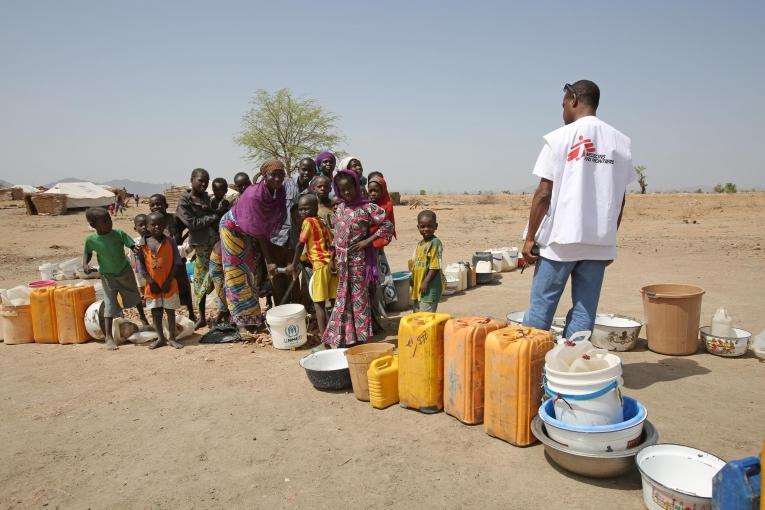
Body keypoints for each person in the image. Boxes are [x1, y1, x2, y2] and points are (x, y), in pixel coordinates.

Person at [521, 80, 634, 338]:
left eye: (563, 106)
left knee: (541, 310)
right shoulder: (620, 143)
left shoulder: (559, 139)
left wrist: (529, 238)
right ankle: (570, 368)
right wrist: (609, 240)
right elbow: (620, 199)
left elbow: (544, 193)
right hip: (597, 243)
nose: (563, 113)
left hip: (560, 242)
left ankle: (531, 369)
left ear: (573, 100)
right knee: (584, 313)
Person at [323, 170, 394, 348]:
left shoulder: (367, 208)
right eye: (342, 190)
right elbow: (337, 235)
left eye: (350, 188)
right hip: (341, 262)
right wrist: (332, 257)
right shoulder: (339, 209)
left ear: (356, 186)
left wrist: (367, 242)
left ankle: (361, 337)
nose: (347, 193)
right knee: (343, 298)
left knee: (359, 298)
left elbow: (388, 225)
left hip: (358, 261)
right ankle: (345, 336)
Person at [219, 159, 287, 331]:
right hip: (232, 230)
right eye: (273, 175)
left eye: (281, 175)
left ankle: (252, 318)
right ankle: (241, 321)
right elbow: (261, 232)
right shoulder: (254, 195)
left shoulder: (277, 191)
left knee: (251, 273)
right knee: (236, 276)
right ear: (265, 176)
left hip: (248, 233)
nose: (278, 179)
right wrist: (270, 260)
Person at [82, 207, 140, 350]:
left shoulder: (118, 234)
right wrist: (85, 264)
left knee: (135, 296)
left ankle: (144, 319)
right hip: (108, 276)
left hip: (125, 272)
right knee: (109, 304)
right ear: (93, 225)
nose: (109, 222)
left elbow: (131, 243)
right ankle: (108, 336)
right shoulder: (91, 239)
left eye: (109, 219)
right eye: (105, 221)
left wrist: (134, 248)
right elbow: (87, 253)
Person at [175, 168, 220, 329]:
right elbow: (191, 223)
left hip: (216, 243)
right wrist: (212, 217)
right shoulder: (184, 201)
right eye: (200, 180)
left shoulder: (207, 198)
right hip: (201, 246)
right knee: (200, 279)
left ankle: (223, 314)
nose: (203, 184)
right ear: (192, 179)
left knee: (219, 278)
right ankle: (202, 317)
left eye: (206, 181)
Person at [287, 194, 336, 334]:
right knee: (333, 302)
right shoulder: (321, 221)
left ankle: (324, 339)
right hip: (331, 265)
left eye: (306, 209)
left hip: (320, 266)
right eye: (301, 209)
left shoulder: (308, 222)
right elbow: (331, 243)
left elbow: (300, 243)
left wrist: (293, 264)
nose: (302, 212)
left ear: (315, 208)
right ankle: (337, 333)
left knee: (318, 304)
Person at [136, 212, 183, 349]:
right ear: (147, 226)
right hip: (152, 285)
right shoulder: (142, 244)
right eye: (153, 224)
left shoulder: (170, 241)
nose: (157, 227)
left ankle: (172, 338)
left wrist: (169, 280)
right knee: (156, 312)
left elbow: (176, 262)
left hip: (169, 283)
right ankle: (161, 338)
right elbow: (140, 265)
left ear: (165, 226)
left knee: (170, 311)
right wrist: (149, 281)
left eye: (160, 224)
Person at [149, 193, 196, 323]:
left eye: (159, 204)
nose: (156, 207)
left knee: (183, 286)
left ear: (166, 205)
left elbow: (191, 226)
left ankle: (191, 312)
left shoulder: (174, 219)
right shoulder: (151, 221)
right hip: (161, 262)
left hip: (177, 259)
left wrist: (184, 240)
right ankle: (170, 316)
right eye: (152, 205)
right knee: (165, 287)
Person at [368, 175, 397, 324]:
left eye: (376, 191)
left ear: (383, 190)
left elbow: (388, 229)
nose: (372, 194)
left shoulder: (387, 206)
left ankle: (379, 313)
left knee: (379, 281)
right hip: (365, 250)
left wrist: (375, 244)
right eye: (370, 190)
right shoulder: (366, 205)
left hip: (377, 249)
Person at [410, 210, 446, 313]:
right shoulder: (420, 243)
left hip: (429, 288)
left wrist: (426, 282)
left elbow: (435, 266)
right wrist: (413, 278)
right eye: (423, 227)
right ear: (418, 227)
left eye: (430, 226)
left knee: (426, 318)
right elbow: (415, 263)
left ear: (436, 226)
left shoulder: (435, 243)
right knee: (417, 316)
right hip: (419, 287)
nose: (426, 229)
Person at [127, 214, 151, 326]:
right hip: (140, 277)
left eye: (146, 224)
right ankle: (143, 317)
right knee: (142, 295)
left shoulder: (155, 240)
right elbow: (132, 261)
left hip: (153, 276)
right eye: (141, 225)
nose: (144, 227)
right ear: (135, 228)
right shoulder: (134, 244)